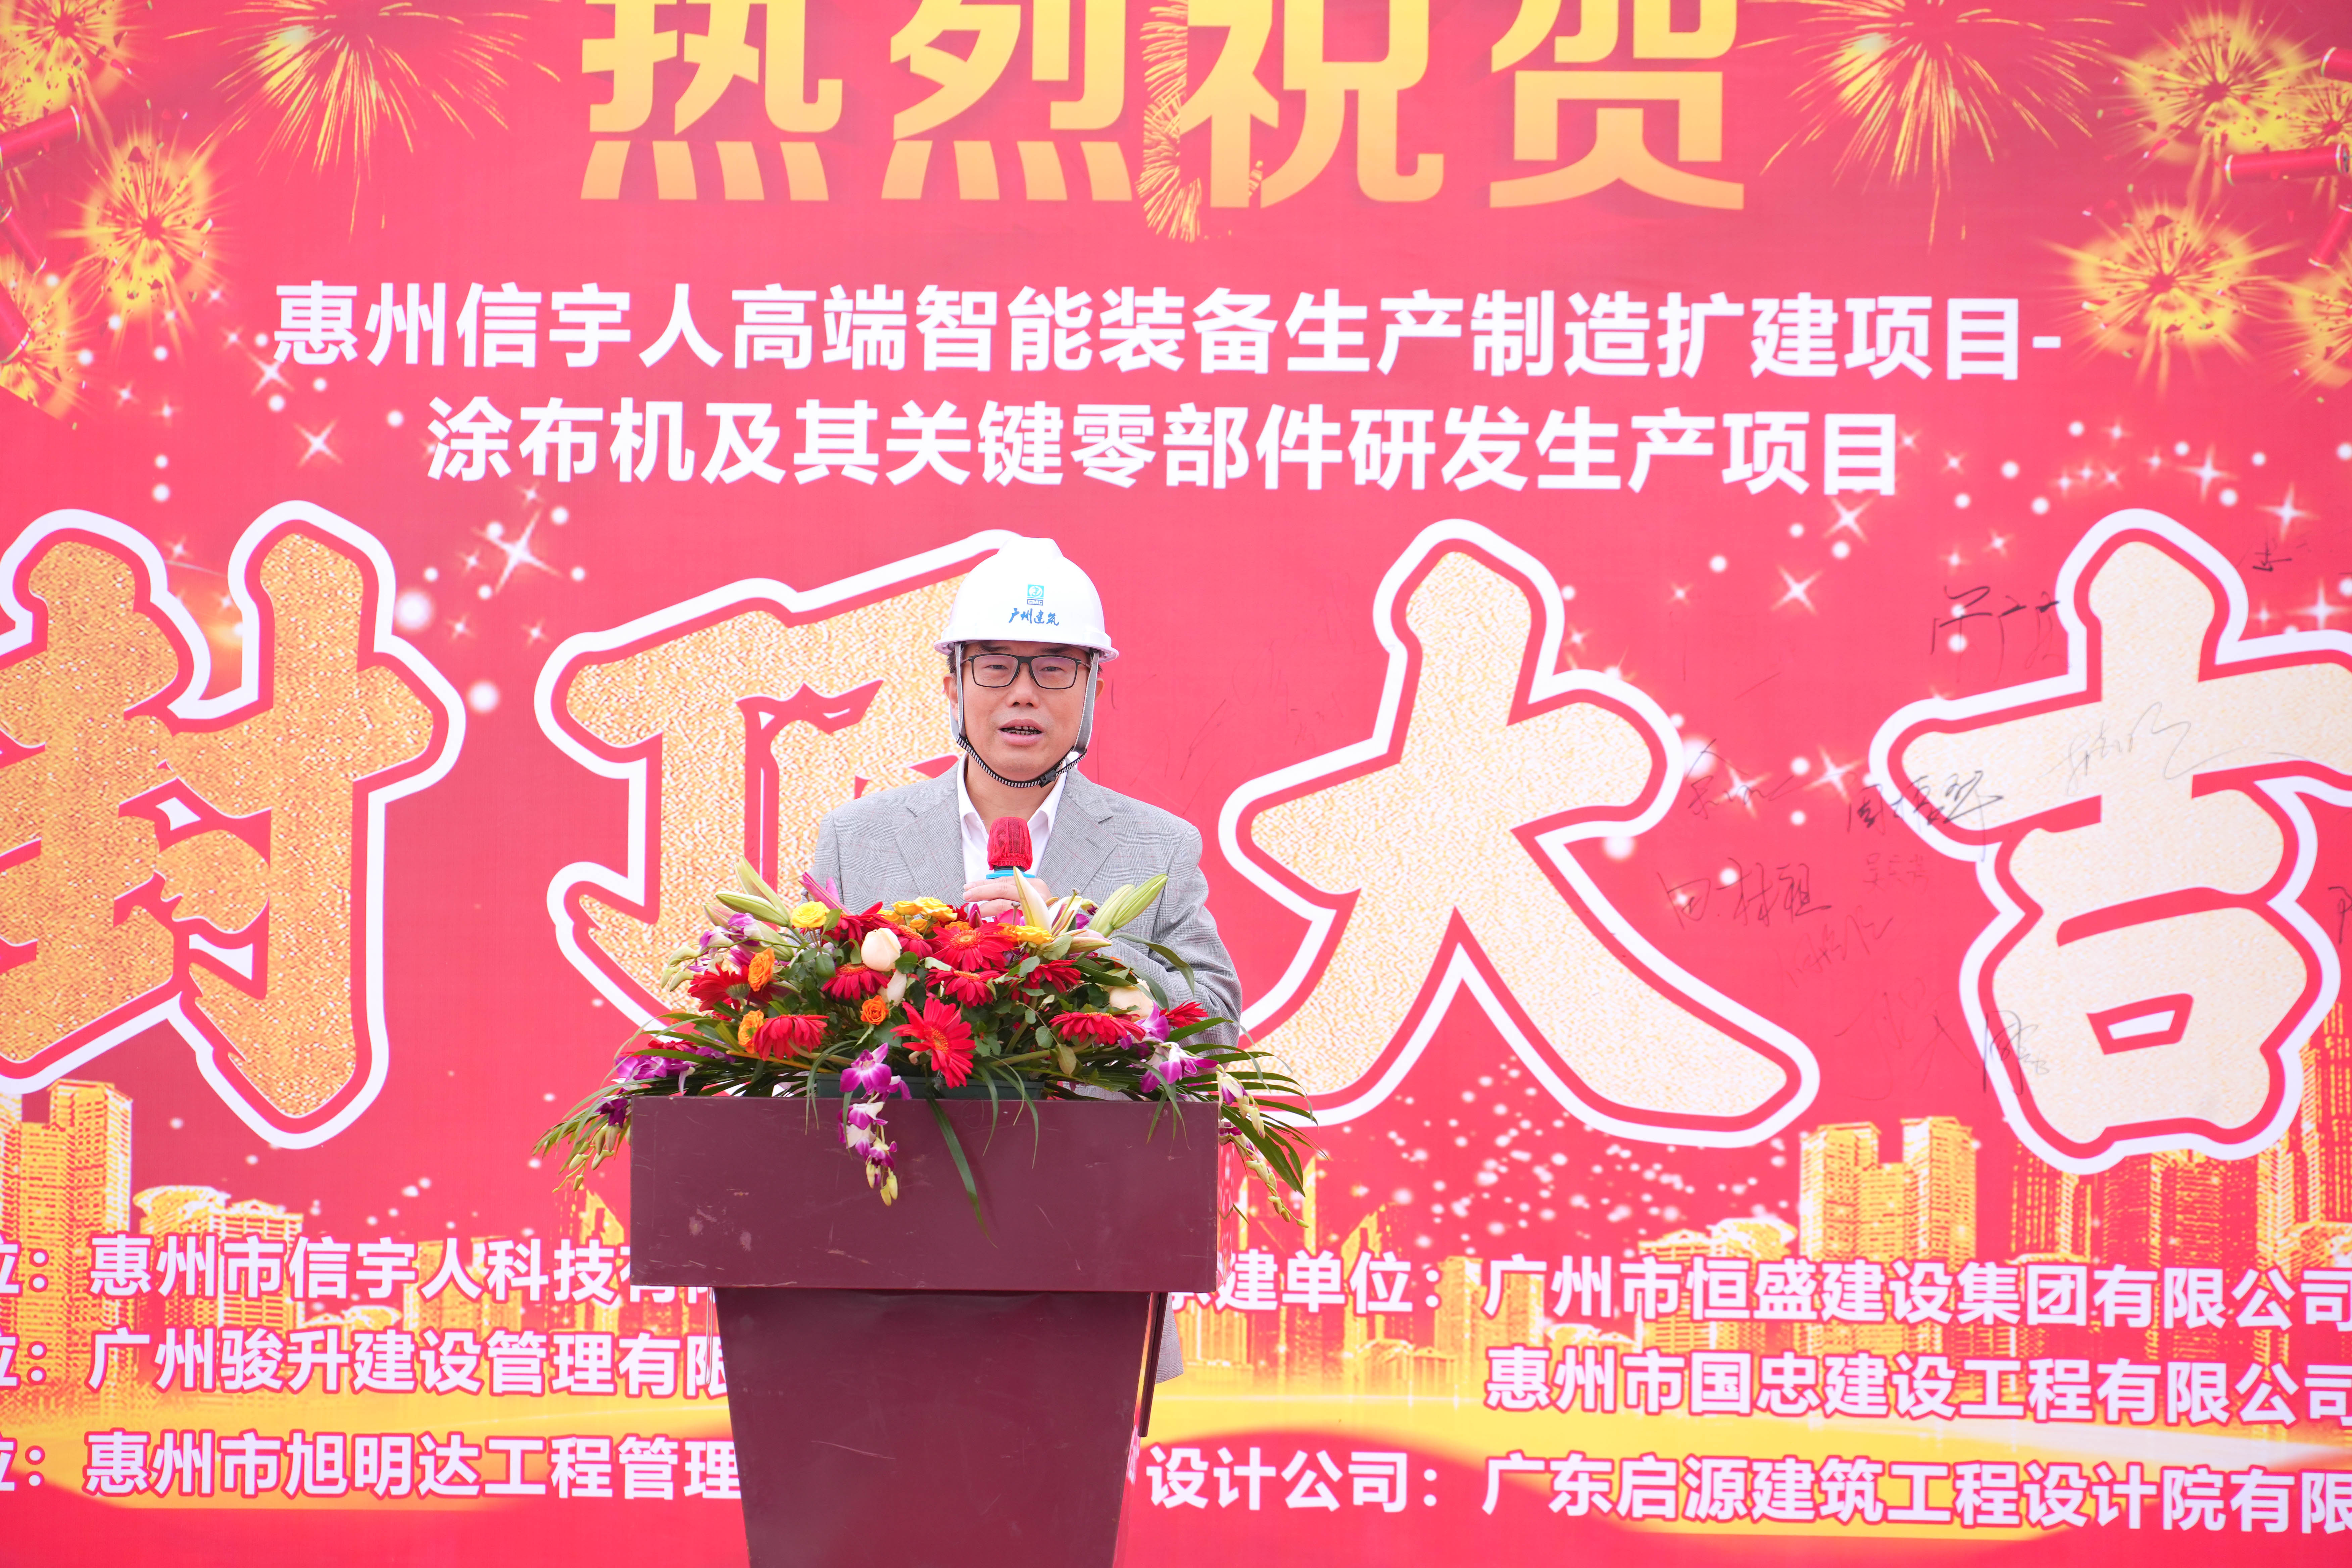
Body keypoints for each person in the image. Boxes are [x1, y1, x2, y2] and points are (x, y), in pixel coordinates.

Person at [809, 537, 1237, 1381]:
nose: (1023, 694)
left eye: (1054, 669)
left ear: (1095, 688)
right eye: (997, 666)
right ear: (953, 684)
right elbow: (812, 1038)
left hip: (1089, 1267)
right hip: (888, 1263)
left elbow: (1215, 1026)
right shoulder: (859, 838)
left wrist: (1085, 945)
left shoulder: (1157, 846)